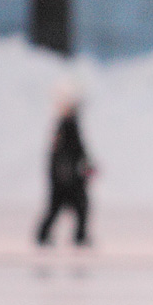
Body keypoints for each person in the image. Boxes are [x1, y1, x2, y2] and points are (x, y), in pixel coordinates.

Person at [36, 102, 95, 246]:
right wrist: (65, 174)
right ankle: (44, 236)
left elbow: (79, 151)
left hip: (68, 177)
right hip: (65, 179)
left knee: (77, 207)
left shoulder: (70, 127)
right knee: (64, 207)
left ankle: (77, 236)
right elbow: (62, 154)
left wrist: (86, 165)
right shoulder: (66, 127)